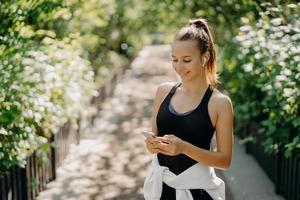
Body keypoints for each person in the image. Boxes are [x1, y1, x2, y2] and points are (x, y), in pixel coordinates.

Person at [143, 18, 234, 200]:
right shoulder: (163, 91)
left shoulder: (220, 103)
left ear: (205, 57)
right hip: (160, 190)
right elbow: (155, 142)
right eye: (174, 59)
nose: (178, 67)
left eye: (186, 60)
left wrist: (184, 148)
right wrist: (152, 145)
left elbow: (224, 161)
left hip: (199, 193)